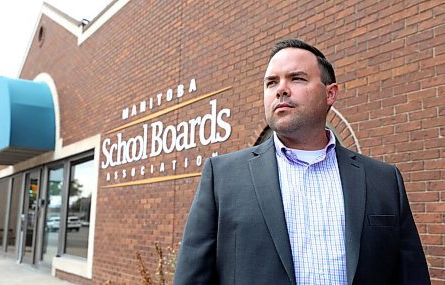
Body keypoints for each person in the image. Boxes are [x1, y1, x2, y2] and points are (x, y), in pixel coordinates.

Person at [174, 39, 430, 285]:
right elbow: (192, 277)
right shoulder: (222, 177)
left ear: (330, 94)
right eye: (271, 82)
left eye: (297, 78)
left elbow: (411, 276)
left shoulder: (383, 180)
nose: (281, 89)